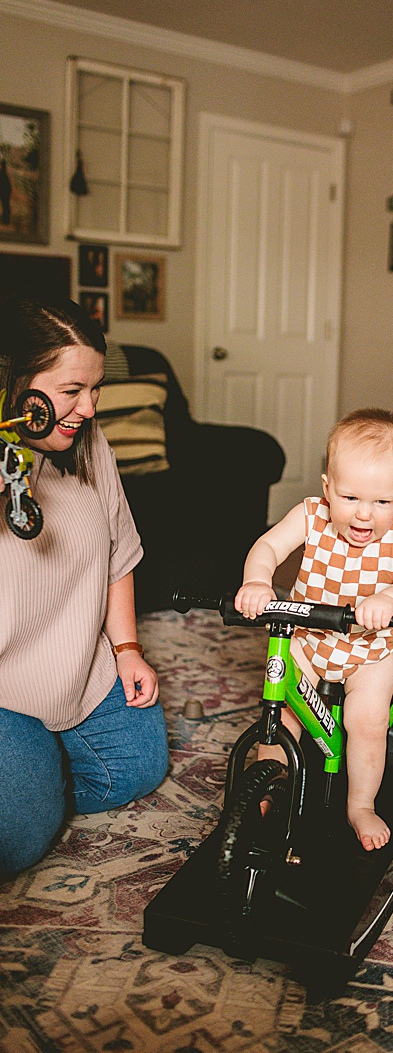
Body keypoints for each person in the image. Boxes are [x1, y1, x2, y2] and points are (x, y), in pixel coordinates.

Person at [0, 298, 166, 880]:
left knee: (139, 769)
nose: (88, 409)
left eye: (94, 390)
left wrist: (126, 649)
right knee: (16, 840)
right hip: (4, 687)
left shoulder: (90, 446)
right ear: (14, 382)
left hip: (79, 663)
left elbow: (120, 552)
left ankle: (40, 769)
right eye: (73, 391)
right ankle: (32, 770)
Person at [234, 409, 393, 851]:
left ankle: (360, 804)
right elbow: (267, 546)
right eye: (351, 498)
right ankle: (269, 786)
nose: (365, 515)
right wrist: (258, 581)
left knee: (366, 722)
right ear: (327, 489)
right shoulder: (310, 514)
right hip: (308, 635)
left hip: (369, 649)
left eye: (382, 502)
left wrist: (392, 598)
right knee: (280, 707)